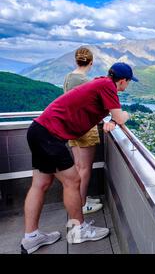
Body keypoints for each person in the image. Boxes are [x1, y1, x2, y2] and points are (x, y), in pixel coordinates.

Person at [21, 61, 138, 254]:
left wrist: (110, 120)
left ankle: (31, 237)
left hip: (39, 130)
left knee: (40, 184)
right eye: (128, 82)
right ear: (123, 81)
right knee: (73, 181)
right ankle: (79, 230)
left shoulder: (100, 83)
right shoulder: (108, 86)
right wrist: (122, 115)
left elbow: (99, 112)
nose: (127, 85)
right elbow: (120, 117)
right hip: (50, 137)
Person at [63, 47, 103, 215]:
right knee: (85, 168)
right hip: (85, 127)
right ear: (91, 63)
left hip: (70, 126)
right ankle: (82, 204)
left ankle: (80, 198)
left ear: (76, 60)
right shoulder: (86, 82)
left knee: (78, 166)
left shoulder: (68, 78)